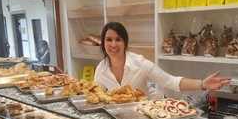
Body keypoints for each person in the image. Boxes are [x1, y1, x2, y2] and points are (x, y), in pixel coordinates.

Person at [94, 22, 230, 94]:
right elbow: (97, 96)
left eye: (118, 39)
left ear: (125, 43)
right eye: (108, 39)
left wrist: (202, 84)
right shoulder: (101, 69)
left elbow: (170, 81)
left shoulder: (139, 63)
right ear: (103, 42)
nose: (113, 44)